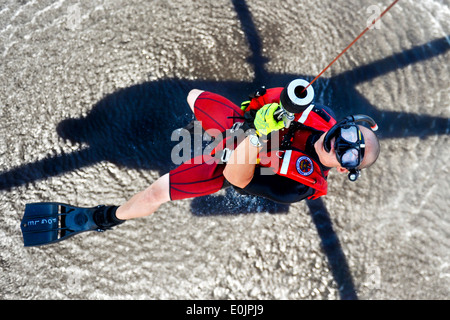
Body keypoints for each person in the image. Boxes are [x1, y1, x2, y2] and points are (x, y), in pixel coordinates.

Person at [20, 79, 380, 247]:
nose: (343, 145)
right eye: (349, 136)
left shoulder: (298, 187)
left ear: (346, 169)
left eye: (351, 155)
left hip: (233, 159)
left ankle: (104, 218)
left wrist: (258, 135)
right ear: (346, 123)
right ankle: (164, 115)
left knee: (155, 192)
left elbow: (237, 177)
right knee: (191, 95)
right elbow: (256, 107)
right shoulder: (320, 114)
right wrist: (268, 106)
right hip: (242, 127)